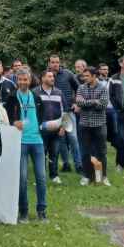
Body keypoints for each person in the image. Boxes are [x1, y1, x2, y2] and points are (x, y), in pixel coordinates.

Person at [10, 68, 47, 222]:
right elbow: (7, 118)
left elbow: (43, 117)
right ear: (16, 81)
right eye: (20, 80)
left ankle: (41, 210)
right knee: (22, 178)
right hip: (20, 141)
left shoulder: (37, 97)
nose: (23, 82)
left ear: (30, 80)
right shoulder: (12, 98)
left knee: (41, 177)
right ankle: (23, 212)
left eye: (26, 79)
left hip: (37, 141)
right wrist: (14, 123)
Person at [75, 67, 111, 186]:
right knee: (85, 152)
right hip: (84, 125)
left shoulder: (103, 88)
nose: (84, 78)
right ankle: (87, 176)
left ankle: (103, 176)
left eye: (87, 76)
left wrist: (87, 103)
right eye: (83, 76)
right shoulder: (81, 87)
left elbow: (103, 104)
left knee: (101, 152)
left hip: (99, 125)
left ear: (94, 76)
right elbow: (79, 102)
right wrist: (94, 101)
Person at [47, 54, 80, 173]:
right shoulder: (47, 76)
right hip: (53, 113)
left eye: (57, 62)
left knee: (73, 138)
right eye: (53, 62)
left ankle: (79, 165)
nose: (55, 64)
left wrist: (77, 103)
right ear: (49, 63)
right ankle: (66, 164)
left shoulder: (68, 74)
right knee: (60, 140)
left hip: (67, 112)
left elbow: (79, 88)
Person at [36, 70, 65, 184]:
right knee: (41, 153)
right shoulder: (35, 93)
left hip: (57, 129)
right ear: (43, 79)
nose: (52, 78)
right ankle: (41, 176)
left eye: (53, 76)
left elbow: (64, 111)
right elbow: (33, 112)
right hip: (41, 129)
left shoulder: (59, 92)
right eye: (49, 76)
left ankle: (54, 175)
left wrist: (63, 126)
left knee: (55, 152)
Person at [97, 63, 116, 147]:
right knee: (101, 128)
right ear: (99, 70)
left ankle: (115, 144)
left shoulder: (111, 80)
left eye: (107, 69)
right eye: (104, 69)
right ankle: (102, 145)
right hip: (101, 108)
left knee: (114, 128)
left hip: (111, 108)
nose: (106, 71)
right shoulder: (96, 81)